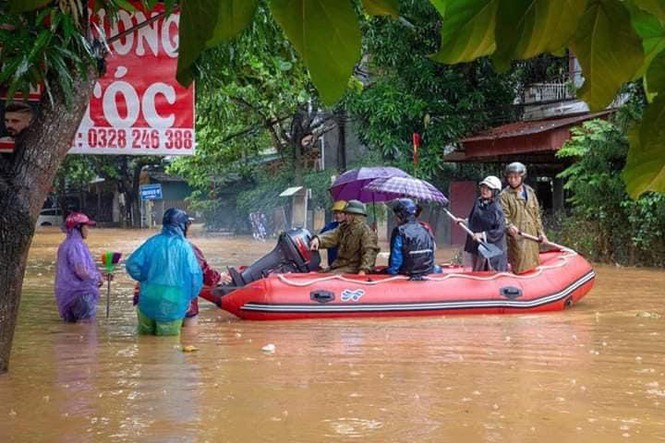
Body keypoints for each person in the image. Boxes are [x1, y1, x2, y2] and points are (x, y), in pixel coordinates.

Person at [125, 208, 203, 336]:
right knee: (167, 347)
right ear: (182, 225)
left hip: (148, 298)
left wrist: (146, 277)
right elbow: (195, 277)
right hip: (172, 301)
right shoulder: (185, 247)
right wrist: (188, 297)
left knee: (145, 341)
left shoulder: (152, 242)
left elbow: (131, 264)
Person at [499, 162, 548, 274]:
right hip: (517, 236)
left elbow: (536, 215)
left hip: (531, 235)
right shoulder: (504, 196)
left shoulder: (530, 192)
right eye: (510, 177)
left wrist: (540, 232)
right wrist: (509, 226)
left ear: (522, 177)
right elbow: (503, 216)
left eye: (516, 177)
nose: (512, 180)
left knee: (533, 263)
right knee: (520, 263)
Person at [54, 212, 103, 322]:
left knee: (71, 331)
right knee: (87, 331)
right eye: (86, 226)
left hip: (66, 296)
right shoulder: (77, 245)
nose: (88, 230)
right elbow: (82, 272)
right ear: (78, 228)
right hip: (81, 295)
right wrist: (97, 278)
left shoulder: (65, 245)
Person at [309, 200, 379, 275]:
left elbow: (369, 252)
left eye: (347, 214)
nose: (345, 216)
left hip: (352, 269)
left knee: (323, 279)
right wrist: (318, 240)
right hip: (339, 266)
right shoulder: (344, 228)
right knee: (315, 275)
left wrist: (363, 270)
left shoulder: (366, 232)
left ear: (355, 216)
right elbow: (333, 235)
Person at [462, 175, 507, 272]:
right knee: (477, 271)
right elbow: (473, 219)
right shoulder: (478, 203)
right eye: (483, 187)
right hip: (476, 247)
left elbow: (500, 230)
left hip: (492, 249)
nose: (484, 190)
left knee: (490, 273)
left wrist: (482, 235)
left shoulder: (497, 209)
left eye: (488, 189)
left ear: (495, 191)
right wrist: (463, 221)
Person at [385, 199, 435, 278]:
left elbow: (396, 262)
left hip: (407, 274)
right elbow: (432, 254)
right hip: (428, 272)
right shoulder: (425, 229)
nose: (395, 218)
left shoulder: (399, 231)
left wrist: (390, 273)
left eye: (396, 215)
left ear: (401, 215)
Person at [319, 200, 347, 266]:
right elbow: (321, 238)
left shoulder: (353, 228)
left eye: (340, 213)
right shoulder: (329, 227)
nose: (338, 215)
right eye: (336, 213)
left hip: (347, 265)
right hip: (333, 263)